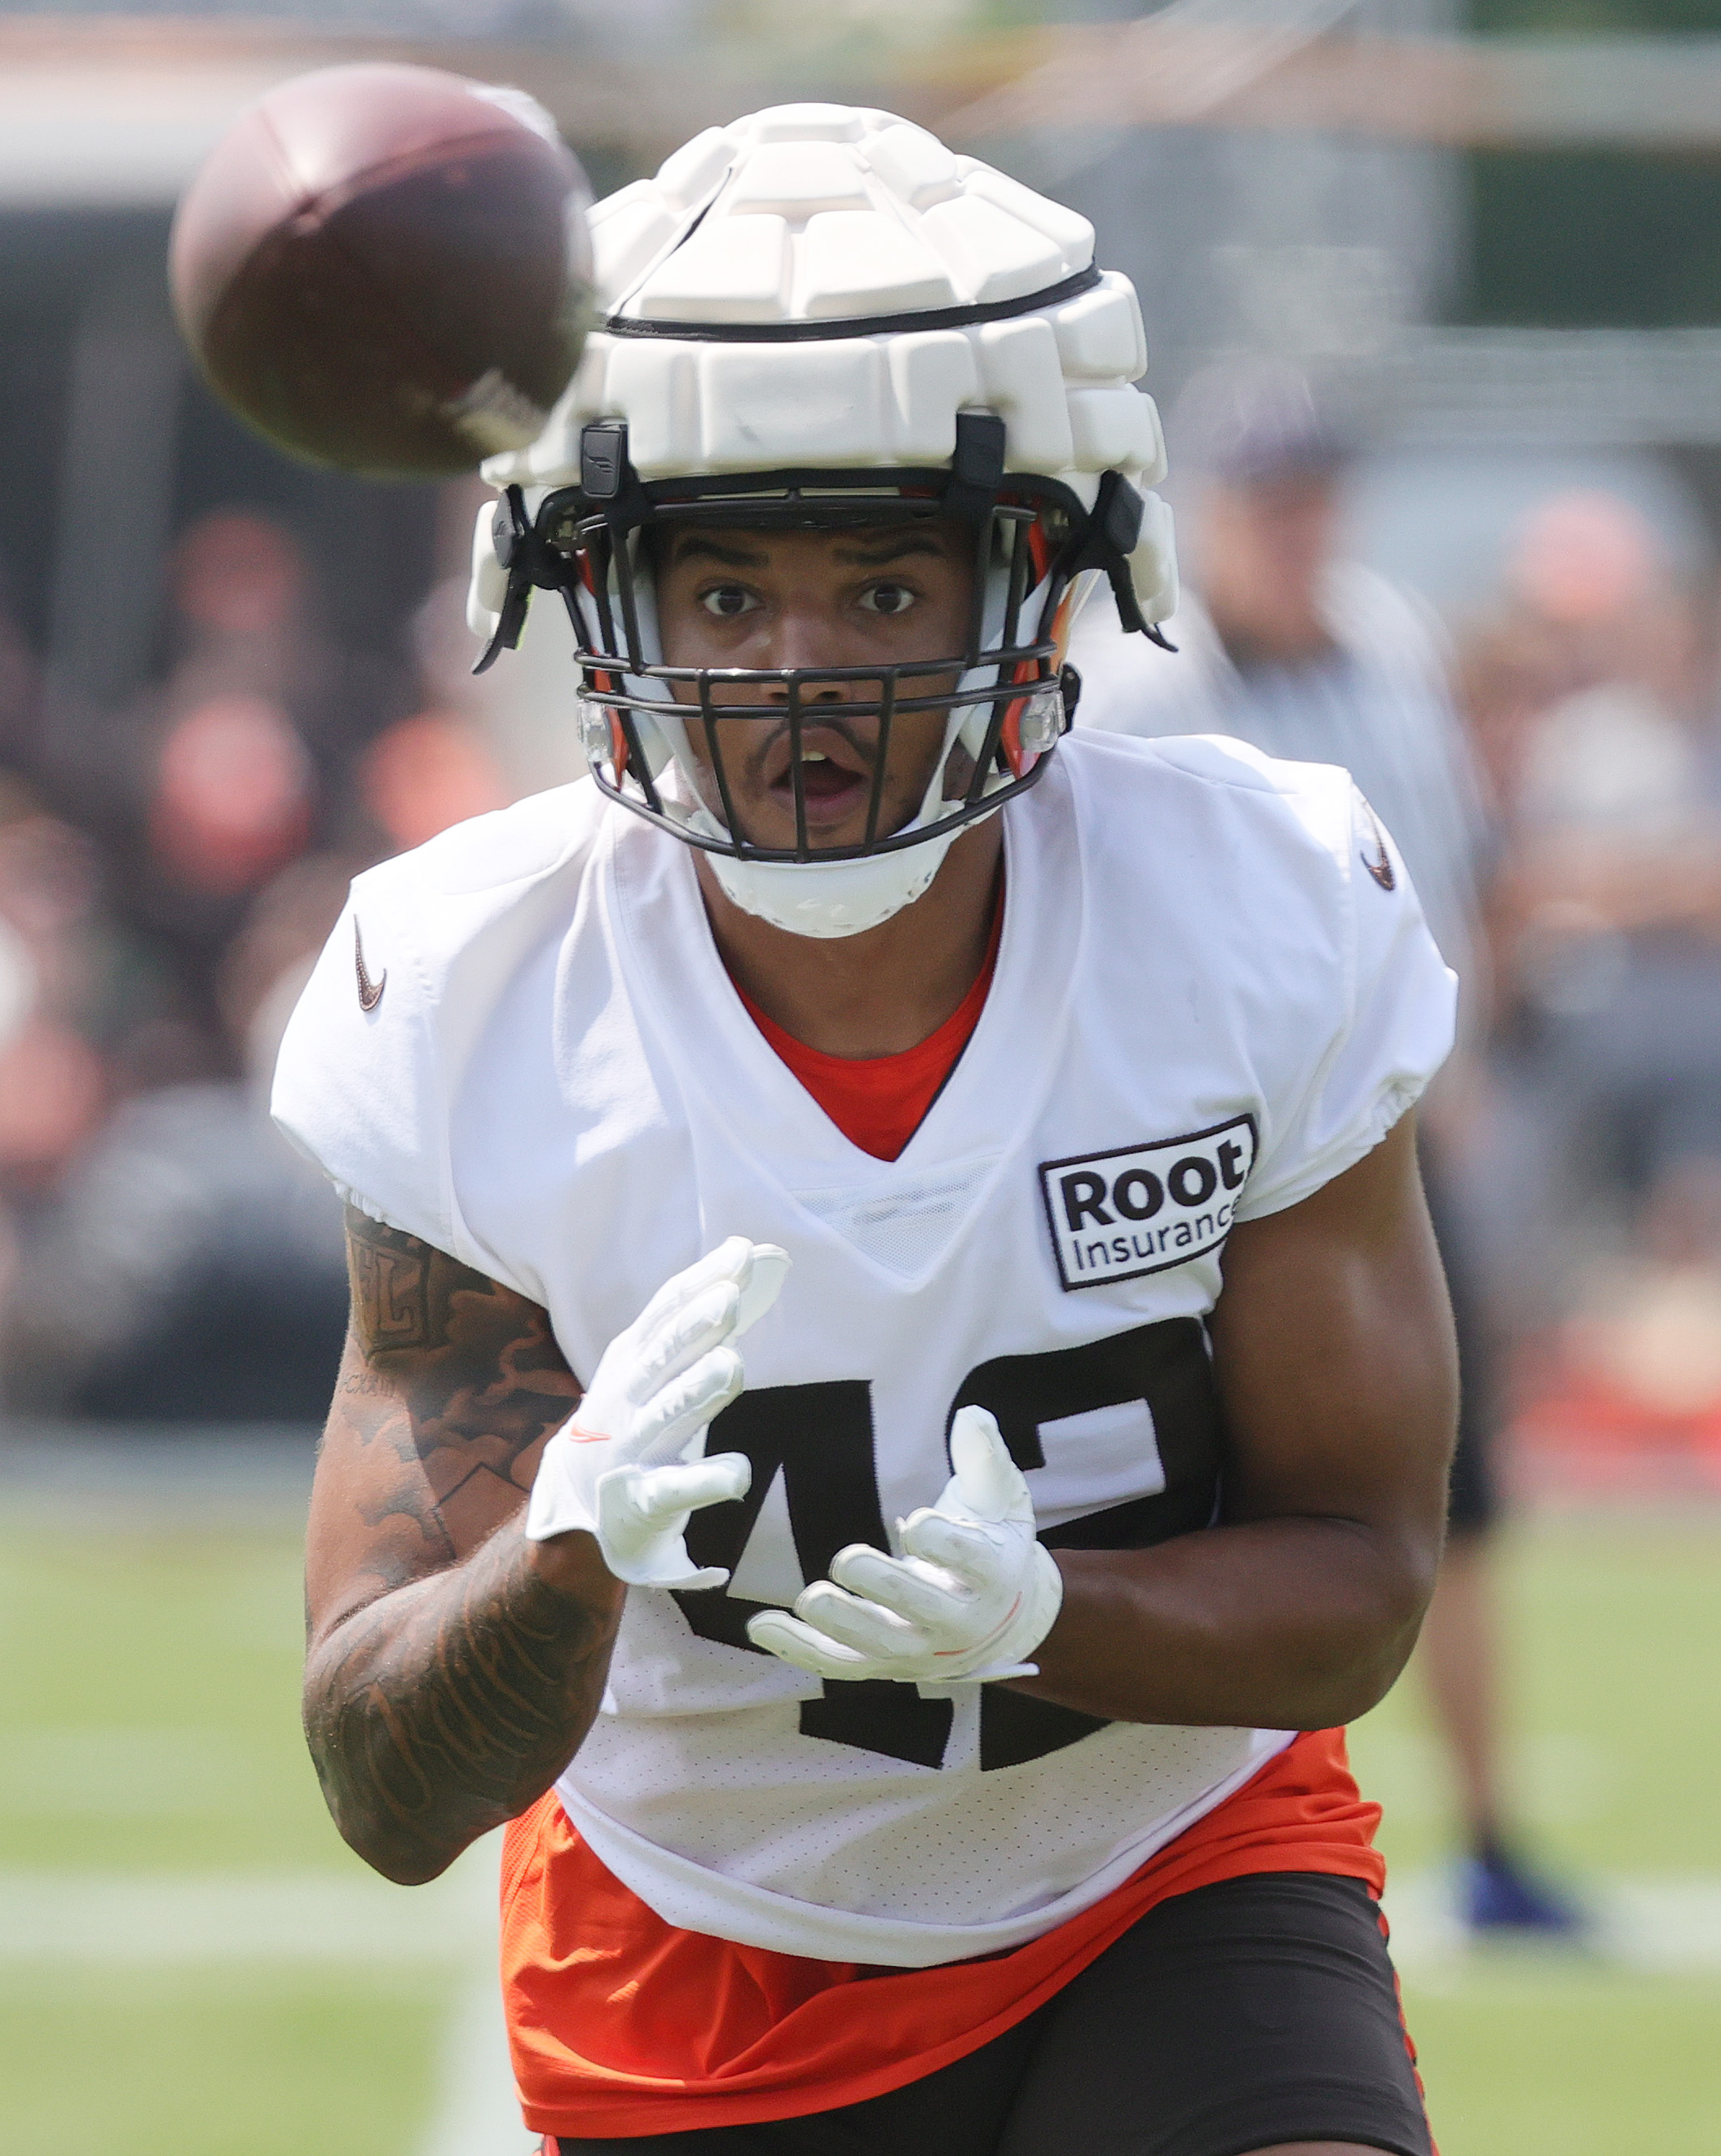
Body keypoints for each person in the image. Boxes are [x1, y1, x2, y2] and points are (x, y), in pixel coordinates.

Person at [275, 109, 1457, 2155]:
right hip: (702, 1941)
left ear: (1049, 574)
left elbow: (1363, 1577)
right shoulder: (465, 986)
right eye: (722, 590)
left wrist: (1054, 1614)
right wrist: (557, 1552)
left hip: (1166, 1859)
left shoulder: (1260, 909)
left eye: (888, 581)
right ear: (588, 586)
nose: (799, 675)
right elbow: (385, 1785)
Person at [1069, 364, 1582, 1935]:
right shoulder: (1141, 675)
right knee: (1185, 1492)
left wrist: (1473, 1045)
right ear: (1216, 510)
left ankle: (1484, 1834)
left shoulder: (1387, 646)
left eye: (1313, 498)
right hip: (1184, 1150)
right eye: (1270, 499)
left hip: (1381, 1131)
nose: (1295, 529)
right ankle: (1158, 1839)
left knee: (1441, 1495)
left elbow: (1450, 866)